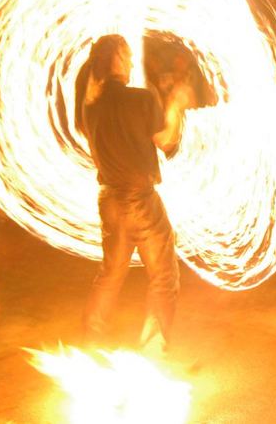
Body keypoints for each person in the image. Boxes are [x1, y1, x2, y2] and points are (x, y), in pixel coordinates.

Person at [78, 34, 188, 353]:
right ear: (114, 59)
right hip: (139, 199)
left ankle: (90, 342)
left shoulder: (91, 108)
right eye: (126, 56)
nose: (130, 63)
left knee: (110, 275)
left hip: (109, 200)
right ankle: (153, 351)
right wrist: (176, 107)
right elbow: (167, 140)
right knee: (164, 276)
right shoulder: (141, 99)